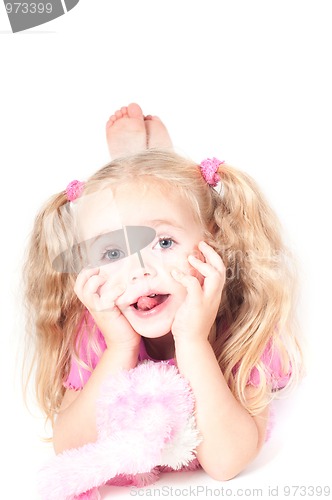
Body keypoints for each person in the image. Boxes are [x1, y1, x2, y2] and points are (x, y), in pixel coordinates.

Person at [23, 103, 303, 482]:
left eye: (164, 242)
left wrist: (193, 342)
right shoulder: (96, 331)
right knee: (151, 199)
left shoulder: (243, 329)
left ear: (212, 245)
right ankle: (146, 166)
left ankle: (150, 163)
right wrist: (120, 348)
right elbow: (74, 452)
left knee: (159, 199)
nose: (138, 270)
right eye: (112, 252)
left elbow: (225, 463)